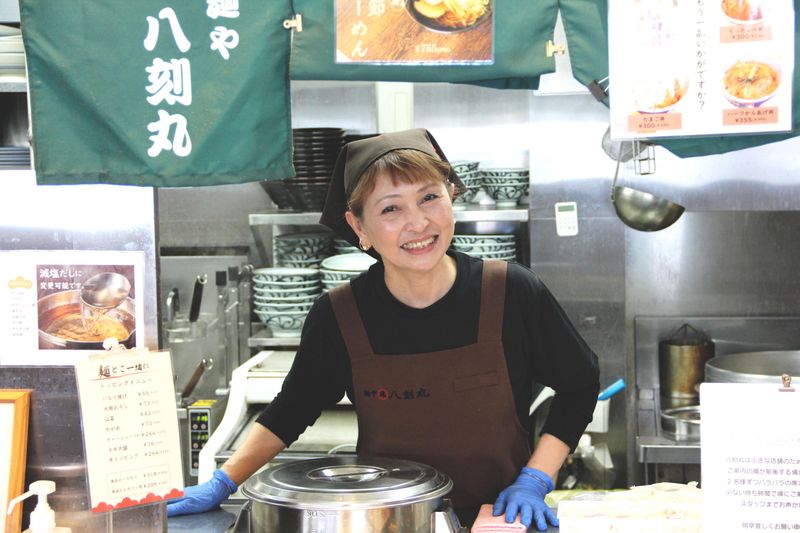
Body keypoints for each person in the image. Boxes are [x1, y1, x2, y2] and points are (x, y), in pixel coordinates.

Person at [167, 128, 600, 531]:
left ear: (452, 196)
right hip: (388, 522)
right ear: (359, 227)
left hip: (499, 518)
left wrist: (535, 478)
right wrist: (222, 482)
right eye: (391, 208)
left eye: (429, 197)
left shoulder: (510, 291)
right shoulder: (341, 314)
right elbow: (291, 411)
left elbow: (580, 383)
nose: (419, 223)